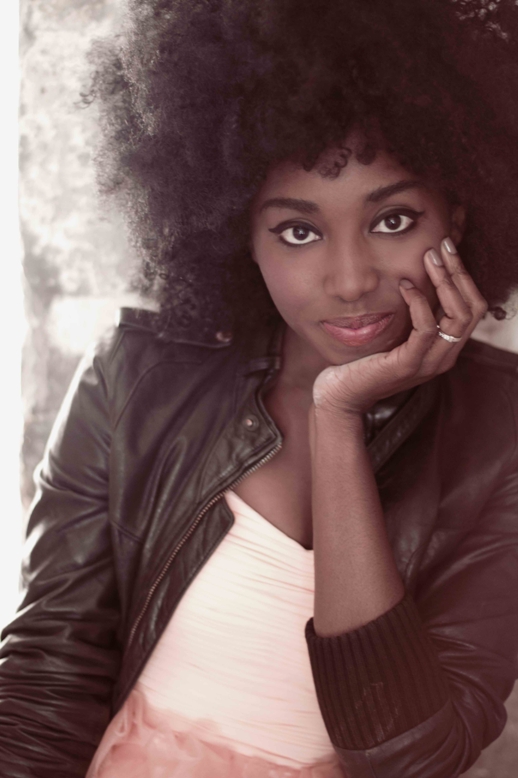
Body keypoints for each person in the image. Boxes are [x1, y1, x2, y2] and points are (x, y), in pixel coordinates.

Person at [1, 0, 518, 776]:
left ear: (459, 215)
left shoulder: (505, 431)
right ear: (238, 233)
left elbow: (410, 757)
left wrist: (337, 417)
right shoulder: (133, 376)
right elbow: (46, 683)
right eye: (298, 231)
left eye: (393, 220)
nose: (351, 280)